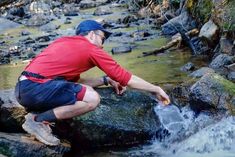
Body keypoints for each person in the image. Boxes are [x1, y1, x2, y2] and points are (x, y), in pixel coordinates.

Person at [15, 20, 170, 146]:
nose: (102, 45)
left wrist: (106, 80)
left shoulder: (64, 43)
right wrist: (155, 89)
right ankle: (38, 121)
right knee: (92, 98)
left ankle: (37, 116)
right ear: (91, 34)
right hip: (36, 89)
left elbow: (77, 83)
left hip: (23, 90)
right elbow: (125, 78)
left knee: (82, 90)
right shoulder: (90, 48)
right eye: (102, 38)